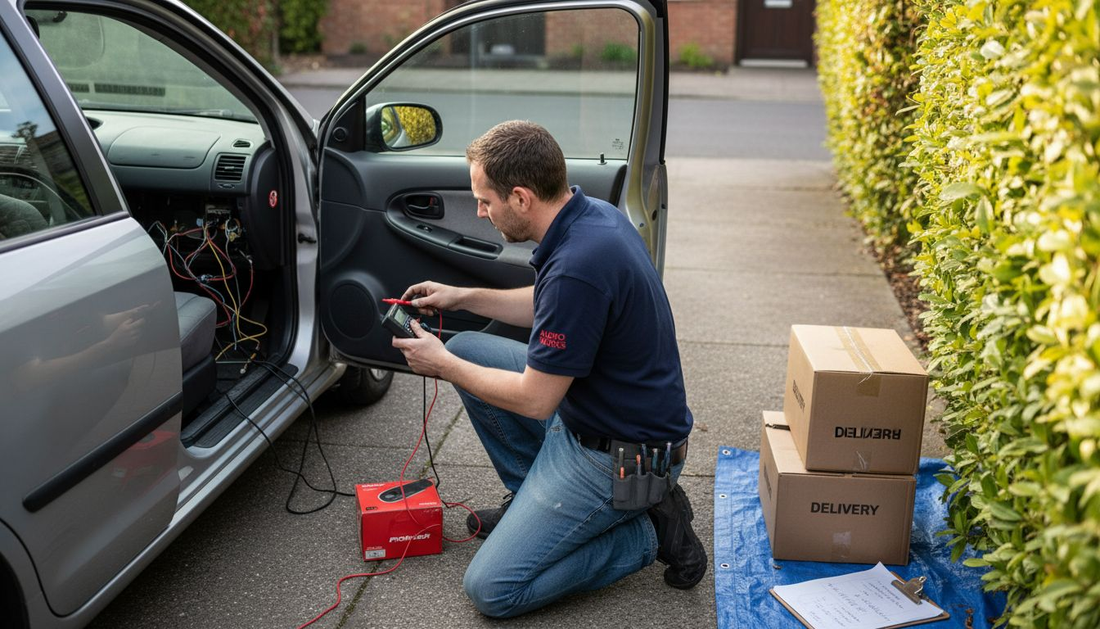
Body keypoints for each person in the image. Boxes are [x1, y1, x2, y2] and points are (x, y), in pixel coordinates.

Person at [391, 120, 705, 618]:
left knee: (491, 589)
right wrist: (463, 296)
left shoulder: (580, 265)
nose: (479, 211)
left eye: (485, 200)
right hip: (592, 415)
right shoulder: (591, 216)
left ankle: (649, 532)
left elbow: (536, 400)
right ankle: (532, 499)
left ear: (520, 198)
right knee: (473, 346)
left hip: (620, 457)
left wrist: (443, 365)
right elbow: (549, 304)